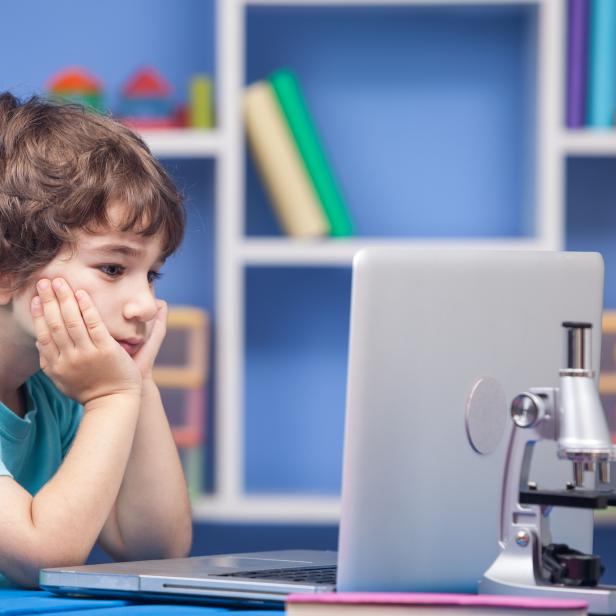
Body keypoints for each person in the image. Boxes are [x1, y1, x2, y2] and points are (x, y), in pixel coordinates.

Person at [0, 92, 193, 588]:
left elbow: (157, 549)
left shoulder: (56, 388)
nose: (145, 305)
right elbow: (40, 556)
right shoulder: (93, 393)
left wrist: (138, 383)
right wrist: (113, 397)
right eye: (113, 268)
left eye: (152, 275)